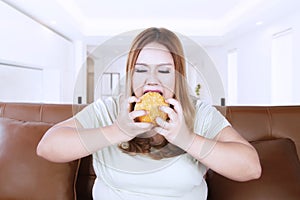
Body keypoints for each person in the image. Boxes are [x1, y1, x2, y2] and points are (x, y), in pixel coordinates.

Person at [37, 27, 261, 200]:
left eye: (164, 70)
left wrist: (187, 139)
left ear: (178, 76)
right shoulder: (107, 110)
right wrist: (117, 131)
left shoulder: (199, 114)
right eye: (141, 69)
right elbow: (47, 147)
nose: (151, 79)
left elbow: (250, 168)